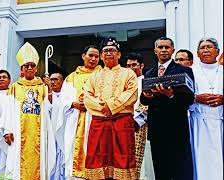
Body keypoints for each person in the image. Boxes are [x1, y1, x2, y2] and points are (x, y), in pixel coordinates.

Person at [83, 37, 138, 179]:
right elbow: (87, 97)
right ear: (101, 56)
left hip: (121, 122)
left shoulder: (128, 73)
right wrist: (104, 108)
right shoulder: (94, 75)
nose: (108, 53)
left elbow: (131, 94)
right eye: (105, 51)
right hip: (99, 122)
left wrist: (111, 106)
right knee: (98, 157)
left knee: (123, 157)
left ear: (119, 54)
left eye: (112, 50)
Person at [140, 37, 194, 180]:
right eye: (161, 47)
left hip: (176, 126)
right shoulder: (149, 73)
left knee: (180, 168)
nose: (164, 50)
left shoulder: (184, 70)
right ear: (155, 51)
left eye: (167, 47)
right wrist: (149, 96)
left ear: (173, 50)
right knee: (160, 168)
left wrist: (170, 95)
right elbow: (143, 99)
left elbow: (189, 98)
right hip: (157, 127)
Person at [6, 42, 55, 180]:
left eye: (32, 65)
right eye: (26, 65)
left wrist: (49, 88)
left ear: (36, 68)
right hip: (17, 130)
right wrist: (7, 130)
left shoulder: (42, 86)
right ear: (21, 68)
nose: (29, 68)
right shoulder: (15, 87)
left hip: (39, 131)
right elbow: (8, 110)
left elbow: (50, 107)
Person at [58, 45, 101, 179]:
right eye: (91, 55)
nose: (93, 59)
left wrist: (91, 104)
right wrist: (73, 103)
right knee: (73, 150)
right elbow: (63, 99)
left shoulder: (103, 75)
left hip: (96, 118)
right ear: (83, 56)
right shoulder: (72, 77)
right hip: (76, 118)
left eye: (96, 56)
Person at [189, 38, 223, 180]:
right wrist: (195, 98)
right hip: (198, 124)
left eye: (209, 47)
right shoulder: (190, 72)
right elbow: (181, 96)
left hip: (220, 122)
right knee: (201, 161)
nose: (206, 50)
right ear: (197, 53)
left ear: (218, 51)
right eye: (202, 48)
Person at [126, 52, 155, 180]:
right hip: (124, 125)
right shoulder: (124, 83)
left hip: (142, 125)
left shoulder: (147, 81)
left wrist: (137, 120)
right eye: (128, 66)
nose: (131, 68)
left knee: (143, 161)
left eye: (134, 65)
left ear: (142, 65)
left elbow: (149, 104)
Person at [44, 72, 66, 179]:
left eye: (56, 79)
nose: (53, 82)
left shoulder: (66, 95)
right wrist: (48, 89)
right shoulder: (45, 94)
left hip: (62, 133)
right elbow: (48, 106)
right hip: (49, 133)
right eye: (51, 79)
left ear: (62, 81)